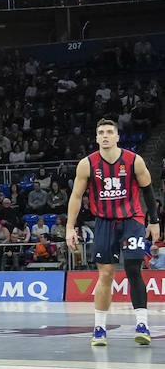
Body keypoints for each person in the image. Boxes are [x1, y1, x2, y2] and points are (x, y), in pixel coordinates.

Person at [66, 118, 158, 346]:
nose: (105, 135)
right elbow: (76, 197)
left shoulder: (134, 161)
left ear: (117, 137)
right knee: (105, 274)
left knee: (133, 268)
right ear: (96, 138)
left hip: (132, 220)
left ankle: (142, 324)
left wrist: (154, 221)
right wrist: (69, 227)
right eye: (101, 132)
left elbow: (148, 191)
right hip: (104, 222)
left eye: (109, 132)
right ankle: (99, 328)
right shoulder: (86, 164)